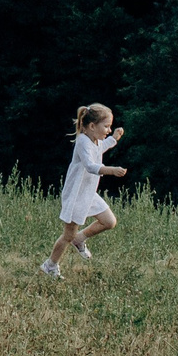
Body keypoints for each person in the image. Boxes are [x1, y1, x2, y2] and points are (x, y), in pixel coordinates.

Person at [43, 103, 127, 279]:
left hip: (88, 193)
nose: (108, 129)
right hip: (76, 195)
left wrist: (114, 139)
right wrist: (111, 170)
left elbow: (101, 147)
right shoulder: (82, 141)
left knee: (109, 221)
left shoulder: (94, 140)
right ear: (91, 126)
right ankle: (50, 265)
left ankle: (80, 239)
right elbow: (90, 166)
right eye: (106, 126)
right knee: (67, 235)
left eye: (110, 126)